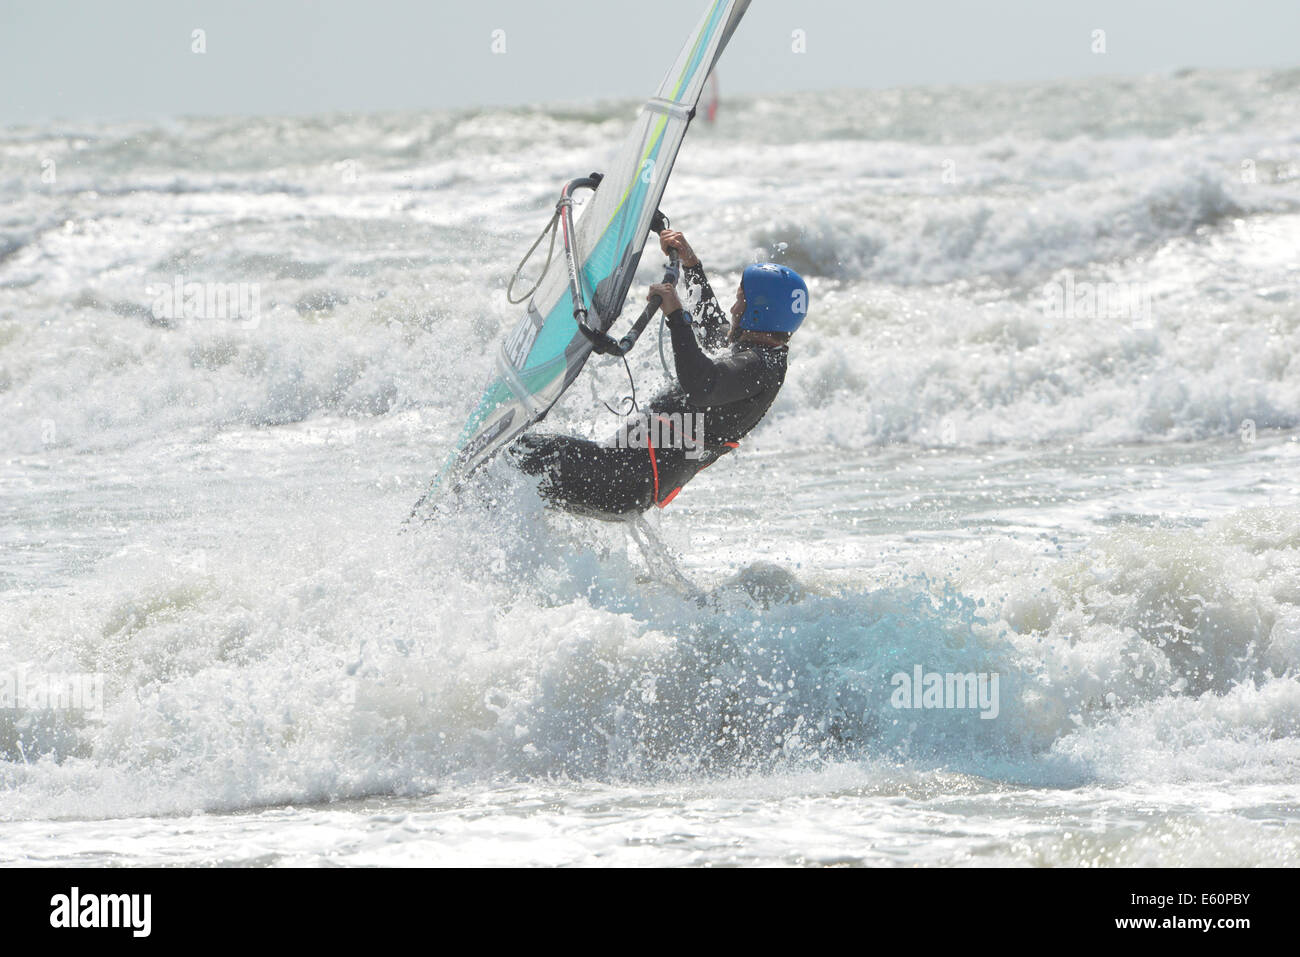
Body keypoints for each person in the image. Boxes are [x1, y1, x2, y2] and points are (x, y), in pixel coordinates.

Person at [509, 229, 809, 519]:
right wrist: (692, 266)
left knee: (519, 456)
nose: (732, 308)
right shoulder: (759, 354)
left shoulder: (758, 367)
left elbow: (703, 385)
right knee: (520, 468)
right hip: (623, 476)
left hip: (622, 479)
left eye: (740, 300)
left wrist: (677, 317)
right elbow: (711, 328)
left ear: (759, 310)